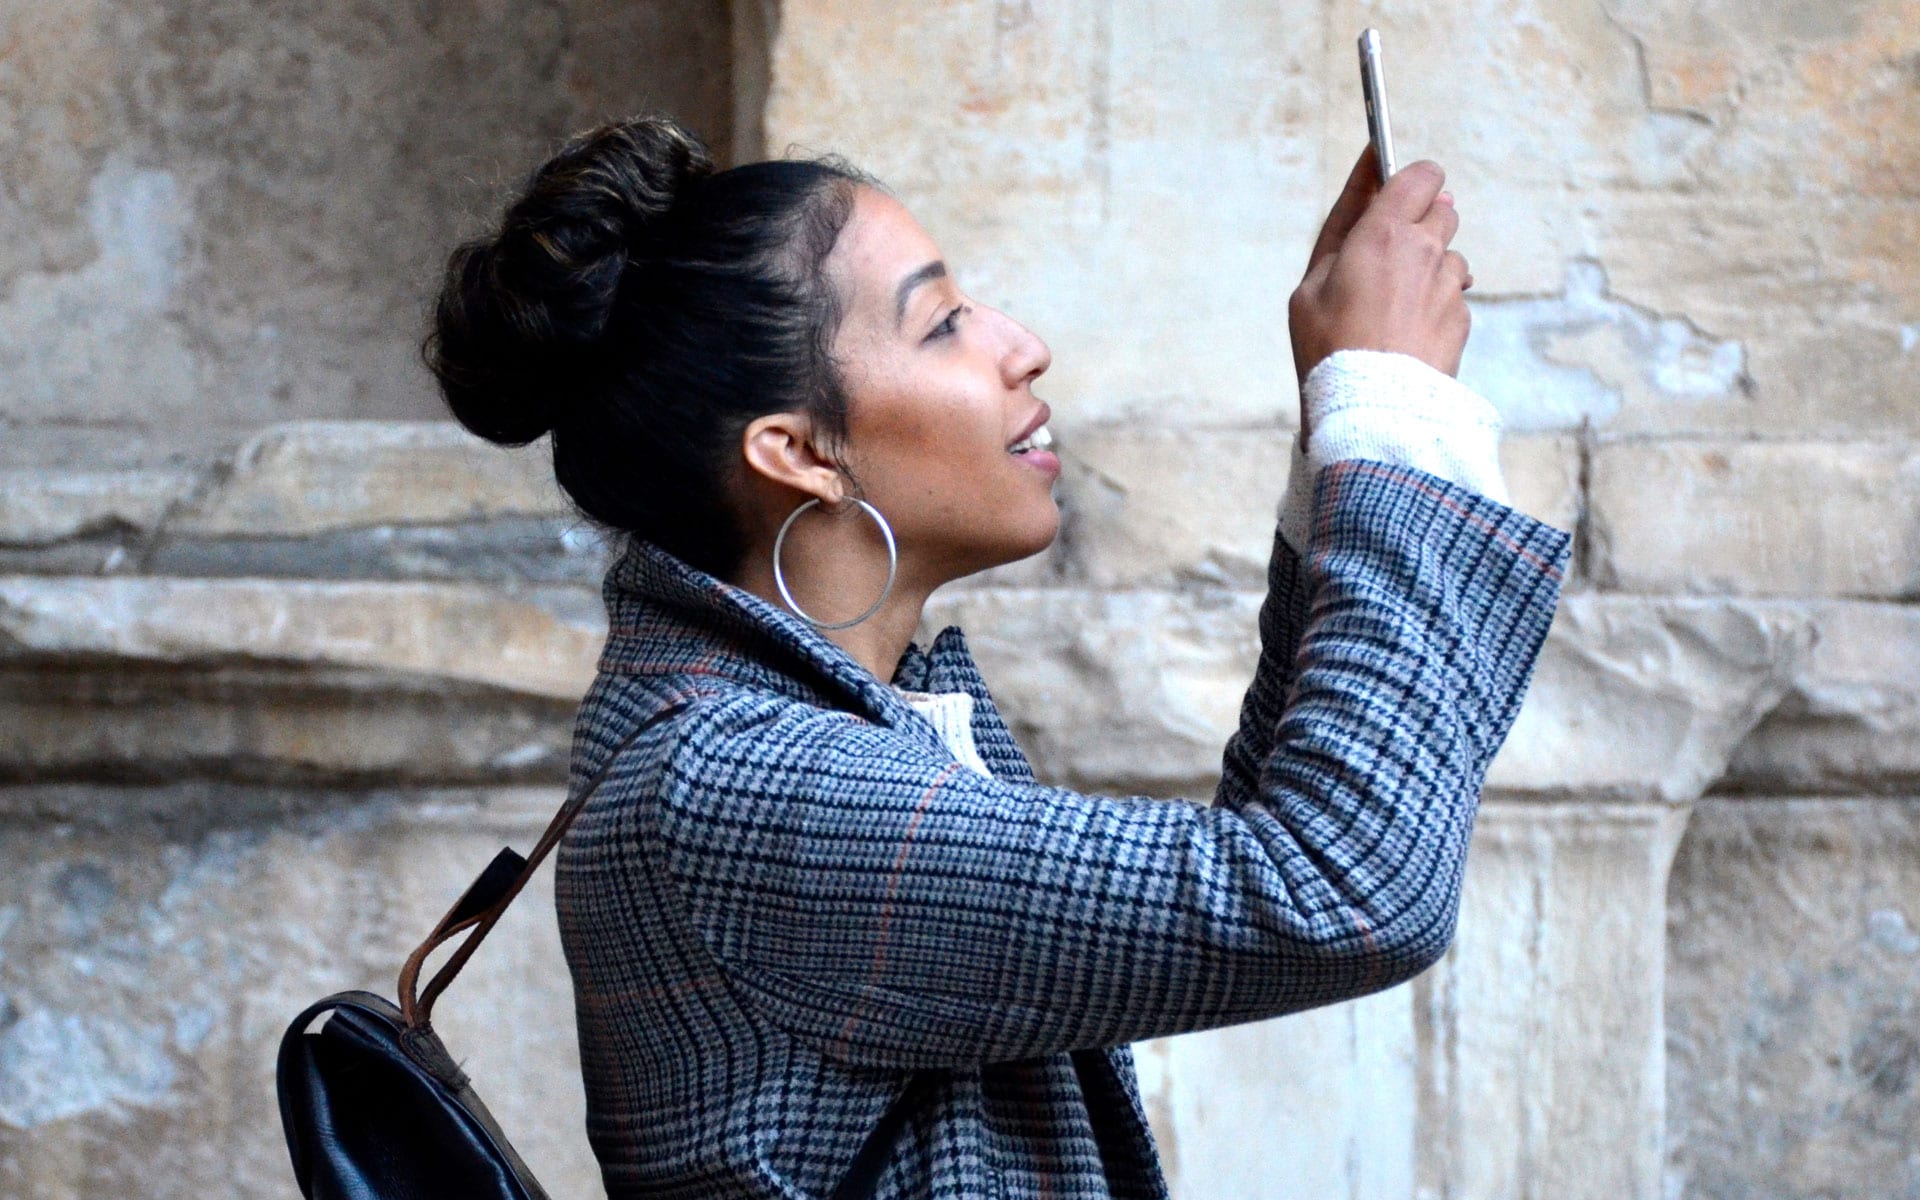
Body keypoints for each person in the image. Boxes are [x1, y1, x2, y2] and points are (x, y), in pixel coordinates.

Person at [425, 114, 1569, 1200]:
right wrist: (1388, 404)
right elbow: (1339, 885)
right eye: (943, 322)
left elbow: (1258, 875)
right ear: (801, 453)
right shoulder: (736, 784)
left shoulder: (783, 729)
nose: (1023, 348)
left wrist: (1343, 444)